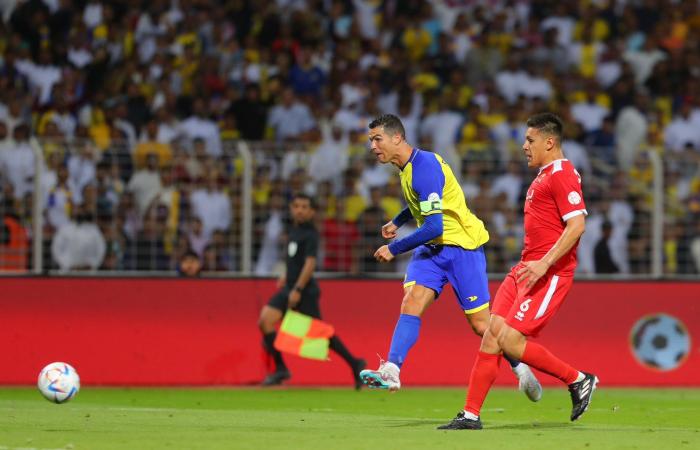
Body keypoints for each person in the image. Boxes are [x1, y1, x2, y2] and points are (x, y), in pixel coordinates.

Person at [359, 114, 541, 400]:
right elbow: (422, 203)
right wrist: (398, 220)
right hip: (432, 250)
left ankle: (521, 368)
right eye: (371, 140)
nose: (372, 146)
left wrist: (393, 248)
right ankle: (392, 369)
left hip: (461, 248)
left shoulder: (425, 167)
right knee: (411, 302)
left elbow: (434, 225)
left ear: (397, 138)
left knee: (481, 325)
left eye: (376, 139)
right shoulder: (407, 167)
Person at [438, 113, 598, 431]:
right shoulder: (543, 175)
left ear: (549, 142)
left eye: (530, 140)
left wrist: (544, 264)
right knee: (491, 335)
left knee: (510, 340)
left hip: (548, 272)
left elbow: (577, 225)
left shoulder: (562, 173)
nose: (524, 146)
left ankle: (578, 379)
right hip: (525, 268)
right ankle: (470, 414)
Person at [257, 193, 366, 388]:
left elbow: (309, 264)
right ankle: (281, 368)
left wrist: (297, 288)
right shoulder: (293, 231)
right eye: (296, 206)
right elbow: (294, 261)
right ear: (291, 208)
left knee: (321, 332)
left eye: (304, 207)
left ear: (312, 212)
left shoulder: (310, 234)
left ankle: (355, 363)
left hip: (304, 290)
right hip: (291, 285)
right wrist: (287, 276)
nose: (299, 210)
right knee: (265, 321)